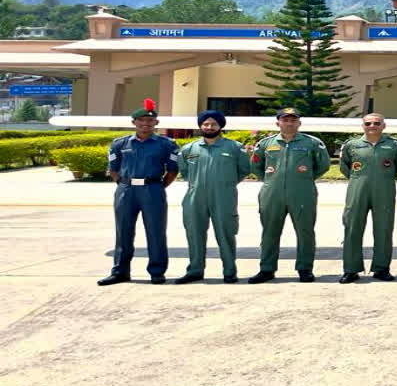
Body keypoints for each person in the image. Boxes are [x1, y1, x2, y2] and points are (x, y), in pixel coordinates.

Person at [97, 98, 180, 286]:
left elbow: (173, 170)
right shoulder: (119, 143)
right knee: (123, 231)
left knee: (156, 231)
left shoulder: (166, 144)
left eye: (150, 121)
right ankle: (120, 271)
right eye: (141, 120)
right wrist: (123, 184)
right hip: (126, 190)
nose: (145, 124)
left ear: (156, 123)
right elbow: (114, 168)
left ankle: (157, 271)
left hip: (152, 189)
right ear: (133, 123)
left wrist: (156, 186)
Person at [247, 108, 330, 284]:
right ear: (278, 123)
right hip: (272, 192)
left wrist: (303, 179)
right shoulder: (266, 143)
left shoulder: (312, 143)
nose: (289, 123)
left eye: (293, 120)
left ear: (299, 123)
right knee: (269, 231)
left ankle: (305, 268)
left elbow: (322, 165)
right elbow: (255, 166)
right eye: (285, 120)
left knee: (305, 231)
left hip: (303, 192)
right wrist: (272, 180)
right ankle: (267, 269)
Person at [174, 110, 252, 284]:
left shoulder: (234, 147)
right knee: (194, 233)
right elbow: (185, 171)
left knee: (226, 233)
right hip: (195, 197)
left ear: (220, 126)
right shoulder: (189, 149)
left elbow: (244, 170)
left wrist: (225, 184)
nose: (209, 127)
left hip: (224, 197)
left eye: (213, 124)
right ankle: (195, 270)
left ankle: (229, 271)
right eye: (206, 124)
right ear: (200, 126)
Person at [338, 113, 397, 284]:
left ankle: (381, 268)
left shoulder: (393, 145)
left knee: (383, 229)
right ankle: (351, 269)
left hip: (384, 190)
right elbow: (345, 167)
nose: (372, 126)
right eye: (368, 123)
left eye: (377, 123)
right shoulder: (352, 145)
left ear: (384, 126)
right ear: (363, 126)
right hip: (357, 190)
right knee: (352, 228)